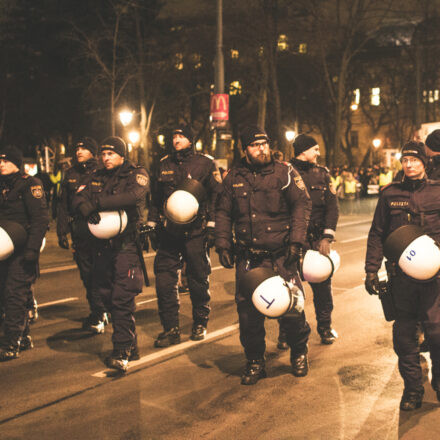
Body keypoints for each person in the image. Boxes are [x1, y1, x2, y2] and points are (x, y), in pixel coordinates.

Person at [215, 126, 312, 385]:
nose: (262, 149)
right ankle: (255, 361)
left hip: (281, 255)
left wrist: (296, 242)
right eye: (255, 145)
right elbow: (223, 212)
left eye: (265, 144)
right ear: (244, 149)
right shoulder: (233, 177)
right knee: (248, 316)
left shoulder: (285, 172)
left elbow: (302, 204)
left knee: (292, 309)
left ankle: (299, 352)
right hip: (249, 257)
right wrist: (223, 244)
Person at [365, 141, 440, 410]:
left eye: (414, 160)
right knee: (404, 337)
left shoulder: (437, 191)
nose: (408, 164)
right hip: (402, 281)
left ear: (424, 162)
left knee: (437, 333)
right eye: (404, 160)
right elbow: (377, 233)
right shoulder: (389, 195)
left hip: (434, 280)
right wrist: (371, 269)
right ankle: (412, 390)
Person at [73, 136, 149, 372]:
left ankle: (121, 351)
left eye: (111, 154)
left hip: (126, 245)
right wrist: (85, 208)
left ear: (121, 155)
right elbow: (78, 196)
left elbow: (132, 196)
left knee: (122, 297)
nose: (106, 158)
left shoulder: (136, 173)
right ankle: (131, 345)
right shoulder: (97, 175)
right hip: (102, 247)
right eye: (103, 154)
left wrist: (97, 203)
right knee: (105, 295)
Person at [147, 125, 221, 346]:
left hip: (196, 231)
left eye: (181, 136)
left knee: (198, 279)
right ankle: (170, 328)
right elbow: (156, 199)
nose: (176, 140)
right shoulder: (164, 164)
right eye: (174, 136)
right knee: (164, 280)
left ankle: (200, 321)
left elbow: (216, 195)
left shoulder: (205, 164)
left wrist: (212, 225)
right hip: (170, 231)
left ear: (191, 140)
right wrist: (151, 223)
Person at [284, 134, 339, 346]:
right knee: (290, 289)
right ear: (303, 150)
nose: (318, 153)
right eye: (314, 149)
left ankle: (325, 327)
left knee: (322, 288)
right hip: (291, 241)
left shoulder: (322, 174)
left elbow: (332, 207)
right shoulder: (284, 172)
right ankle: (287, 332)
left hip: (316, 241)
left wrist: (327, 236)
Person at [0, 146, 49, 361]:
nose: (1, 164)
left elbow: (40, 220)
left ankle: (11, 343)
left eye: (5, 161)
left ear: (16, 163)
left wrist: (32, 251)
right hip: (3, 249)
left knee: (14, 296)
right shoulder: (2, 185)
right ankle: (24, 336)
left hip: (22, 250)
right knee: (5, 295)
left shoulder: (31, 184)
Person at [57, 137, 108, 334]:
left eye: (84, 149)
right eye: (77, 149)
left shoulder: (101, 172)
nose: (79, 152)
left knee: (102, 273)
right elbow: (63, 205)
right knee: (87, 274)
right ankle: (98, 311)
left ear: (92, 153)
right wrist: (62, 231)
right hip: (79, 231)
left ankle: (103, 310)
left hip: (100, 228)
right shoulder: (70, 174)